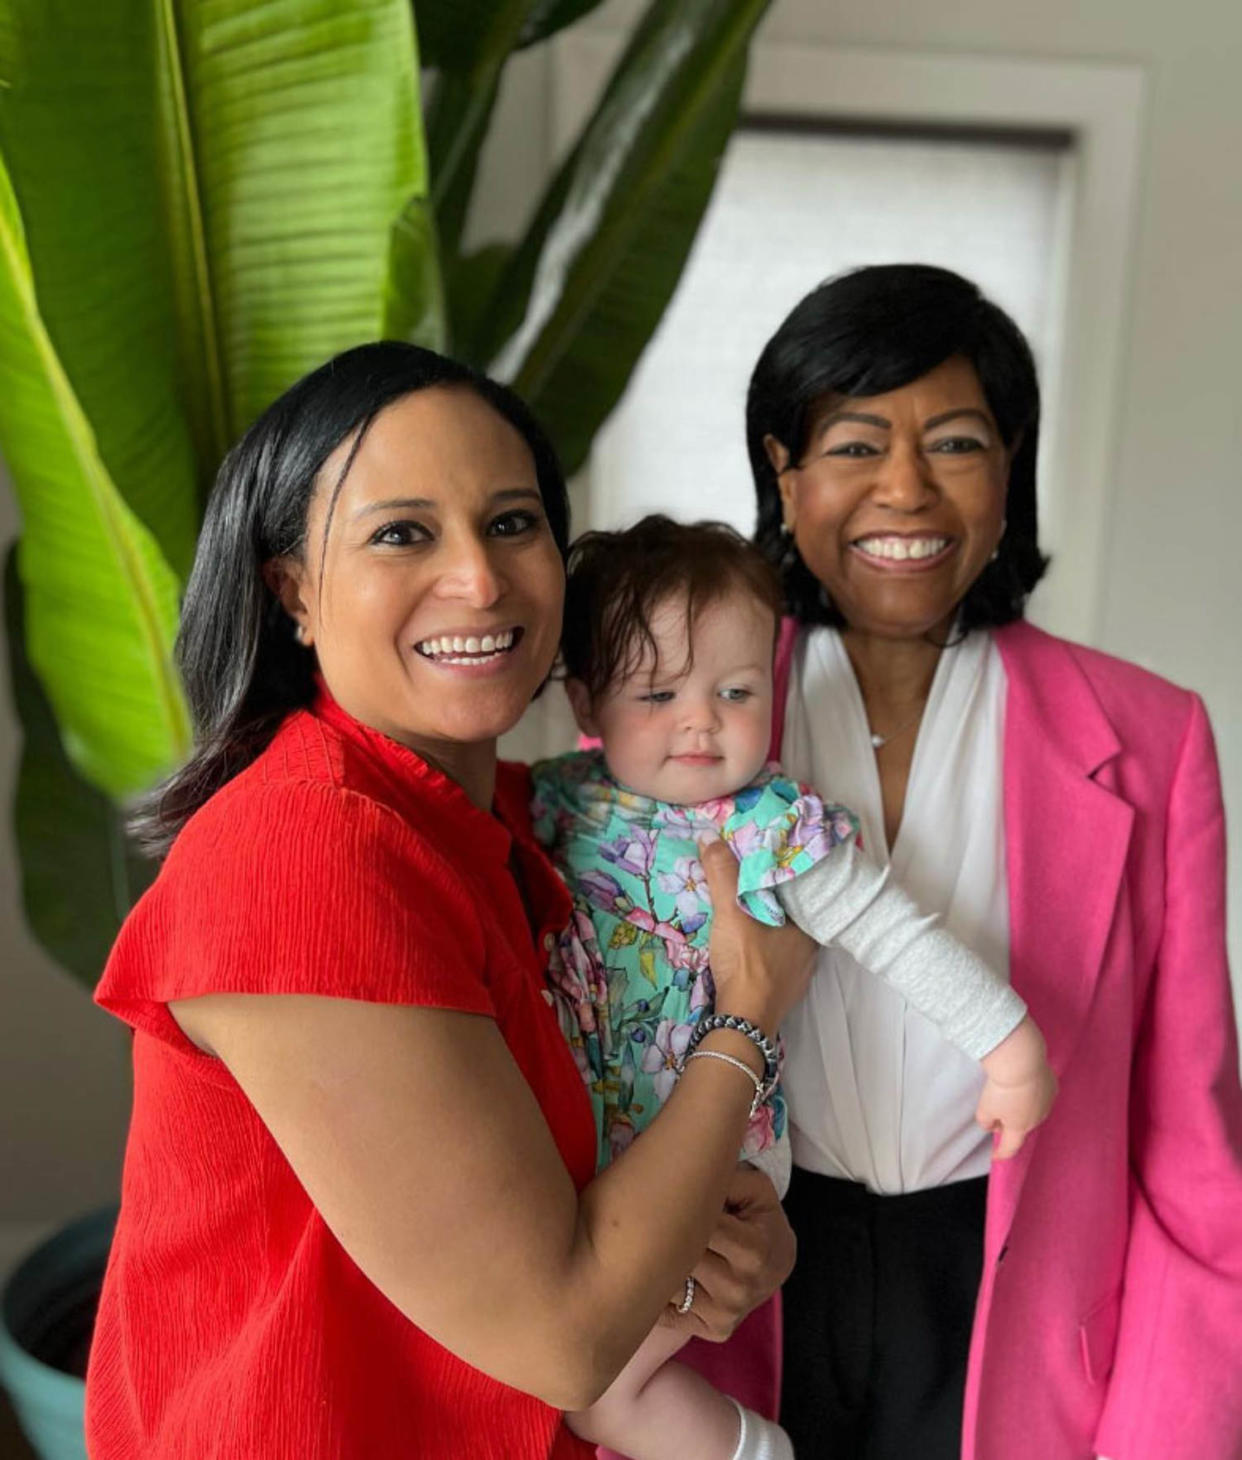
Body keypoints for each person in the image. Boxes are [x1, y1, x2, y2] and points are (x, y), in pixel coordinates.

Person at [84, 343, 809, 1460]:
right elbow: (565, 1331)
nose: (478, 577)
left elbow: (594, 1210)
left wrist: (737, 1240)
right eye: (401, 531)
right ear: (293, 589)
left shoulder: (533, 821)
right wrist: (745, 1020)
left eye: (513, 522)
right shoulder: (304, 848)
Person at [745, 262, 1242, 1459]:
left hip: (1021, 1313)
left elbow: (1193, 1137)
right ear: (785, 472)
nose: (905, 489)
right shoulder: (680, 715)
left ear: (1010, 466)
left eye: (956, 441)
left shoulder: (1152, 734)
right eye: (856, 443)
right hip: (744, 1286)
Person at [527, 515, 1057, 1460]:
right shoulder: (561, 799)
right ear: (585, 701)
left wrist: (1009, 1046)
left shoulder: (775, 831)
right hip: (601, 1154)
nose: (701, 720)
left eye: (734, 691)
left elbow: (898, 935)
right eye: (658, 693)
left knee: (600, 1388)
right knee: (583, 1366)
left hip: (720, 1165)